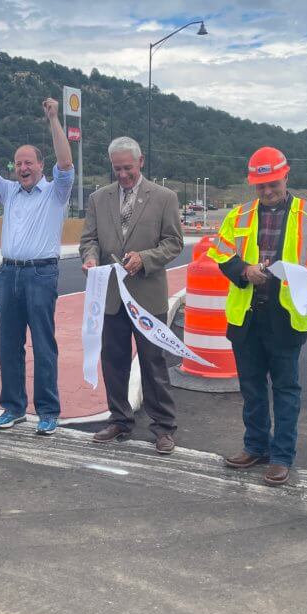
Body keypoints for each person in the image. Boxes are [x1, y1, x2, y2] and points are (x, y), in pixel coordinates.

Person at [207, 147, 307, 486]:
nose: (267, 192)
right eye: (261, 186)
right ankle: (255, 446)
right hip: (247, 316)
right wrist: (243, 270)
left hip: (285, 317)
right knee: (251, 388)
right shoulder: (238, 216)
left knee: (285, 389)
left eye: (273, 184)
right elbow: (221, 253)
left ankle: (282, 456)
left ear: (286, 176)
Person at [0, 97, 74, 435]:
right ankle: (13, 407)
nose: (23, 168)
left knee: (44, 345)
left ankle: (47, 410)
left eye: (28, 162)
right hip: (8, 274)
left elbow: (67, 161)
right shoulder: (9, 191)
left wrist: (54, 119)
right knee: (8, 344)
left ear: (41, 166)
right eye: (18, 163)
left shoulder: (56, 192)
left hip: (41, 275)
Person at [79, 136, 183, 454]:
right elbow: (89, 239)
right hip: (110, 296)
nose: (122, 175)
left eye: (127, 168)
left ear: (140, 163)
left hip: (147, 297)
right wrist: (90, 257)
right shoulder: (99, 198)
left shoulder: (164, 198)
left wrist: (145, 258)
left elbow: (173, 242)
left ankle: (163, 427)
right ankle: (120, 419)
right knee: (114, 361)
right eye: (117, 169)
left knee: (154, 363)